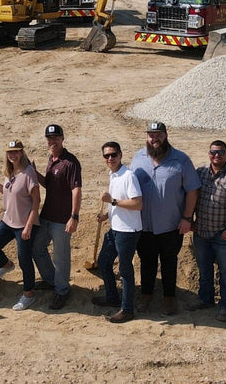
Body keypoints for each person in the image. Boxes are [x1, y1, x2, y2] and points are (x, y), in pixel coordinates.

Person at [130, 121, 200, 316]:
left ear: (166, 135)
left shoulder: (181, 160)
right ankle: (146, 295)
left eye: (159, 134)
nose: (155, 139)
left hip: (171, 225)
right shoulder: (138, 158)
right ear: (146, 137)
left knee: (169, 262)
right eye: (151, 135)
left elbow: (192, 190)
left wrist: (187, 217)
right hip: (144, 224)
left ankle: (169, 298)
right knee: (146, 261)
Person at [188, 140, 226, 322]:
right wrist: (189, 220)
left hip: (223, 234)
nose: (216, 155)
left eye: (220, 152)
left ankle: (225, 305)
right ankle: (205, 299)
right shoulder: (200, 173)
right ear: (208, 153)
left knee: (225, 271)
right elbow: (192, 196)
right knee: (204, 269)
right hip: (201, 232)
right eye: (213, 152)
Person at [0, 140, 42, 311]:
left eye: (16, 152)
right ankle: (7, 265)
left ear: (22, 152)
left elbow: (36, 202)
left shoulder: (29, 172)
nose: (12, 155)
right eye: (10, 152)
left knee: (25, 260)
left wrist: (29, 226)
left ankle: (29, 294)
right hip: (8, 220)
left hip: (24, 223)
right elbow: (8, 192)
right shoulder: (9, 171)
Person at [91, 141, 142, 324]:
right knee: (104, 262)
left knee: (125, 270)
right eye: (106, 156)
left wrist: (111, 201)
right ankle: (112, 297)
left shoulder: (129, 176)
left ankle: (127, 309)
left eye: (113, 155)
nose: (110, 158)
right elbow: (121, 203)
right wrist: (107, 214)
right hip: (115, 229)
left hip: (128, 231)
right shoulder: (113, 175)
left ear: (121, 155)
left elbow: (137, 204)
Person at [32, 123, 82, 310]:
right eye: (49, 138)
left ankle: (62, 291)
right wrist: (35, 173)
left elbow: (76, 189)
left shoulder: (70, 162)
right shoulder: (52, 159)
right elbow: (50, 185)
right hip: (46, 215)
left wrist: (74, 216)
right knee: (37, 248)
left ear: (62, 139)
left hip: (62, 219)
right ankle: (51, 280)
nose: (52, 141)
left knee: (61, 257)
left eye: (56, 138)